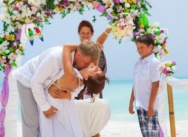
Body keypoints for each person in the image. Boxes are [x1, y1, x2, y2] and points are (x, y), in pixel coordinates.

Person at [12, 40, 99, 137]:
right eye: (85, 63)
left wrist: (70, 95)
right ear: (78, 54)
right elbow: (36, 82)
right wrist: (45, 107)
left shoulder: (79, 63)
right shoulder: (56, 58)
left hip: (41, 84)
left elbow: (77, 85)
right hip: (27, 80)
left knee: (41, 125)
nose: (86, 67)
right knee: (32, 123)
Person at [39, 43, 109, 137]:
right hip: (64, 106)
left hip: (54, 105)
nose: (96, 66)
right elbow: (94, 62)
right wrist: (70, 96)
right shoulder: (82, 81)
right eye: (99, 69)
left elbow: (66, 47)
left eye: (95, 70)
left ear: (87, 76)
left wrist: (82, 48)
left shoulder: (71, 76)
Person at [129, 34, 160, 137]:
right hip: (139, 105)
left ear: (150, 46)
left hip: (149, 106)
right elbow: (136, 84)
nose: (139, 50)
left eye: (142, 47)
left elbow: (155, 85)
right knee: (145, 134)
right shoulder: (137, 63)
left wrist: (151, 106)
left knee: (153, 135)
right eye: (138, 47)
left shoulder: (154, 63)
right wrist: (131, 102)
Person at [75, 20, 111, 99]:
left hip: (95, 92)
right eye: (82, 33)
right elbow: (73, 72)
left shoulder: (98, 51)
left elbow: (101, 72)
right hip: (77, 94)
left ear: (92, 34)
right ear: (78, 34)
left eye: (88, 33)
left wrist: (97, 53)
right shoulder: (75, 52)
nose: (85, 35)